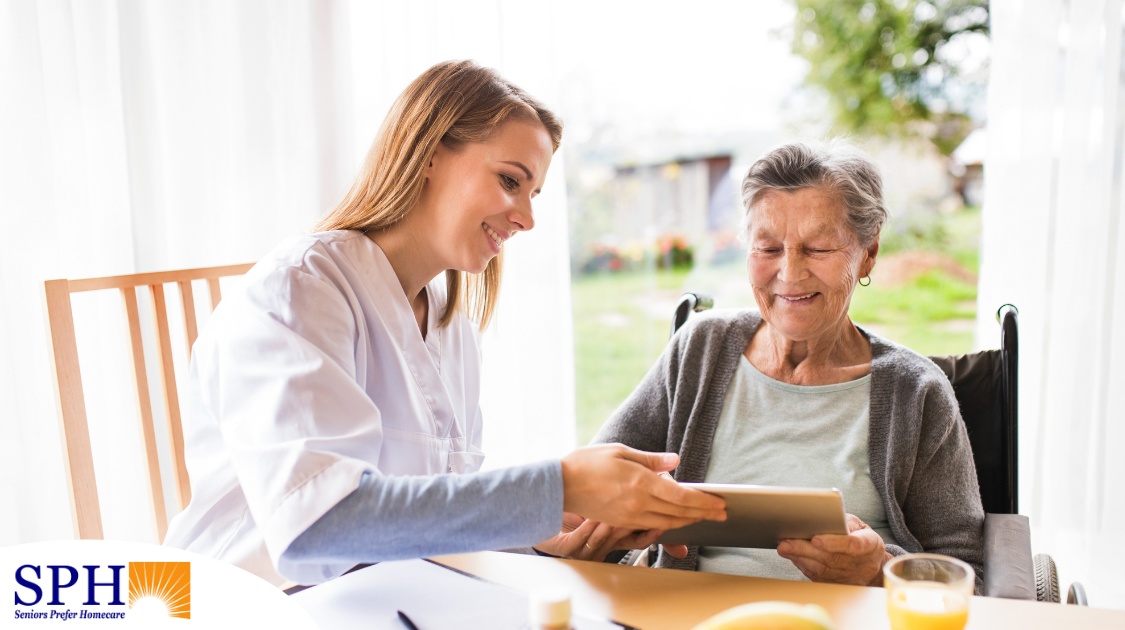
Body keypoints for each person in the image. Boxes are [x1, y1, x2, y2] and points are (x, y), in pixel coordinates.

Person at [163, 60, 725, 587]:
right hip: (256, 604)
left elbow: (432, 516)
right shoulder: (298, 293)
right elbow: (317, 530)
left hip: (391, 600)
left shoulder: (450, 323)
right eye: (510, 180)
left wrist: (547, 536)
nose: (527, 218)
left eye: (533, 194)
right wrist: (558, 486)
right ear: (429, 153)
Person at [579, 140, 984, 587]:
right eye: (768, 249)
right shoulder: (701, 347)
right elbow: (588, 491)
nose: (790, 274)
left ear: (868, 252)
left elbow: (971, 573)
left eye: (818, 249)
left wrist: (879, 572)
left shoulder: (917, 391)